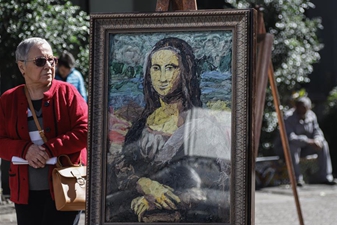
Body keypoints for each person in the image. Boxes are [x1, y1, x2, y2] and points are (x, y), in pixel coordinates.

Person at [106, 37, 231, 223]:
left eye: (170, 67)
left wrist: (157, 202)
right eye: (156, 68)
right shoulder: (141, 125)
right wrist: (145, 185)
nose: (162, 77)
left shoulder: (202, 126)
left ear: (185, 72)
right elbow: (120, 173)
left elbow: (212, 189)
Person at [0, 37, 88, 225]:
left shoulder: (68, 93)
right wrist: (24, 150)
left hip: (67, 188)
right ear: (22, 67)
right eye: (40, 61)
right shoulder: (9, 100)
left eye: (51, 60)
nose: (48, 66)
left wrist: (50, 149)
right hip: (25, 194)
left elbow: (86, 131)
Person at [274, 96, 337, 186]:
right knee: (292, 147)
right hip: (287, 149)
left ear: (309, 108)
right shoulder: (288, 117)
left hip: (306, 148)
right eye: (301, 108)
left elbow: (317, 130)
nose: (303, 111)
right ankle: (297, 179)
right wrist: (308, 141)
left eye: (305, 108)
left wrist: (317, 140)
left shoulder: (311, 115)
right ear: (296, 107)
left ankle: (326, 177)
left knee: (324, 144)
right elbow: (290, 137)